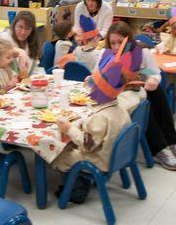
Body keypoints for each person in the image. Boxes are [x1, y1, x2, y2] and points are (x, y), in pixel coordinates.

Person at [104, 22, 176, 170]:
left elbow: (155, 73)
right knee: (142, 101)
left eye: (120, 42)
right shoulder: (106, 55)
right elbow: (98, 77)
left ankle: (173, 143)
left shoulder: (141, 53)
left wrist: (153, 79)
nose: (115, 47)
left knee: (156, 91)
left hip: (137, 89)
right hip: (119, 97)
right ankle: (159, 148)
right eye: (112, 43)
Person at [51, 46, 132, 204]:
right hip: (115, 156)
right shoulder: (120, 108)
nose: (90, 89)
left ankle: (77, 190)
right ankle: (80, 181)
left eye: (94, 86)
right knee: (69, 145)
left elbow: (87, 145)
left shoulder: (102, 117)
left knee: (58, 154)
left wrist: (69, 129)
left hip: (99, 160)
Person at [0, 11, 41, 75]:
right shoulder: (5, 37)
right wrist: (18, 51)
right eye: (20, 27)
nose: (23, 32)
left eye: (27, 29)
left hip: (24, 82)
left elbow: (34, 69)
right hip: (5, 80)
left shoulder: (31, 42)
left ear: (32, 30)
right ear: (14, 25)